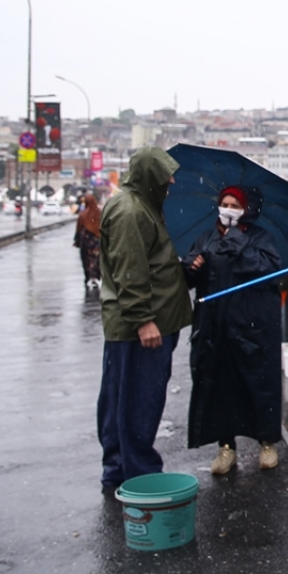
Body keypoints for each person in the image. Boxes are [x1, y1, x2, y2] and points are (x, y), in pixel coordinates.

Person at [97, 146, 193, 490]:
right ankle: (140, 474)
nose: (170, 180)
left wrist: (183, 271)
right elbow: (131, 271)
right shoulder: (130, 212)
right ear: (149, 175)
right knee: (139, 401)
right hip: (143, 328)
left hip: (144, 323)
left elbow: (150, 263)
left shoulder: (140, 207)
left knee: (122, 399)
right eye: (165, 174)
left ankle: (118, 469)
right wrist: (143, 321)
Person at [182, 186, 284, 474]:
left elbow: (269, 270)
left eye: (234, 204)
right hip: (214, 327)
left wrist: (237, 242)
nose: (228, 208)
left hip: (252, 327)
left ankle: (267, 442)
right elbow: (190, 277)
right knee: (218, 387)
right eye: (225, 203)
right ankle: (225, 448)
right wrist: (193, 266)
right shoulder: (206, 238)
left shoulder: (260, 237)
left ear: (245, 209)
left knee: (258, 383)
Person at [74, 194, 102, 290]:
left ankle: (88, 277)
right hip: (97, 241)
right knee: (97, 259)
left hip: (85, 241)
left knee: (86, 259)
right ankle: (96, 276)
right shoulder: (100, 213)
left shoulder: (83, 214)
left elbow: (78, 228)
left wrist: (76, 240)